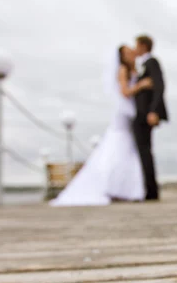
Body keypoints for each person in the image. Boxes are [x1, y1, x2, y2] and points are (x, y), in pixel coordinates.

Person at [50, 45, 152, 206]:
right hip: (123, 114)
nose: (131, 53)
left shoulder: (133, 69)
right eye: (126, 53)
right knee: (120, 146)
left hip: (130, 113)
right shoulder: (122, 70)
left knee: (127, 149)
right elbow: (125, 92)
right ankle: (116, 188)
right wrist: (142, 85)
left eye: (130, 51)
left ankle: (124, 189)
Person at [133, 34, 168, 200]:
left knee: (145, 151)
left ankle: (151, 191)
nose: (135, 49)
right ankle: (149, 189)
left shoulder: (152, 62)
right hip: (141, 114)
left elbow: (159, 86)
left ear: (143, 46)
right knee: (144, 150)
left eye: (137, 45)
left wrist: (153, 111)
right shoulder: (142, 65)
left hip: (145, 115)